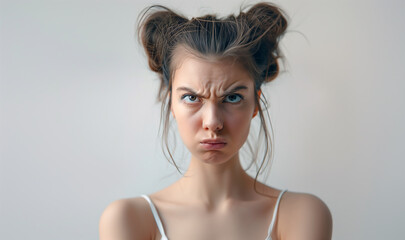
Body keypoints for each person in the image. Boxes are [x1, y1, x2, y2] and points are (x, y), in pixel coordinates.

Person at [99, 2, 332, 240]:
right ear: (171, 104)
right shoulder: (129, 219)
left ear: (255, 103)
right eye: (191, 98)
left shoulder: (301, 214)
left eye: (232, 97)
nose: (212, 122)